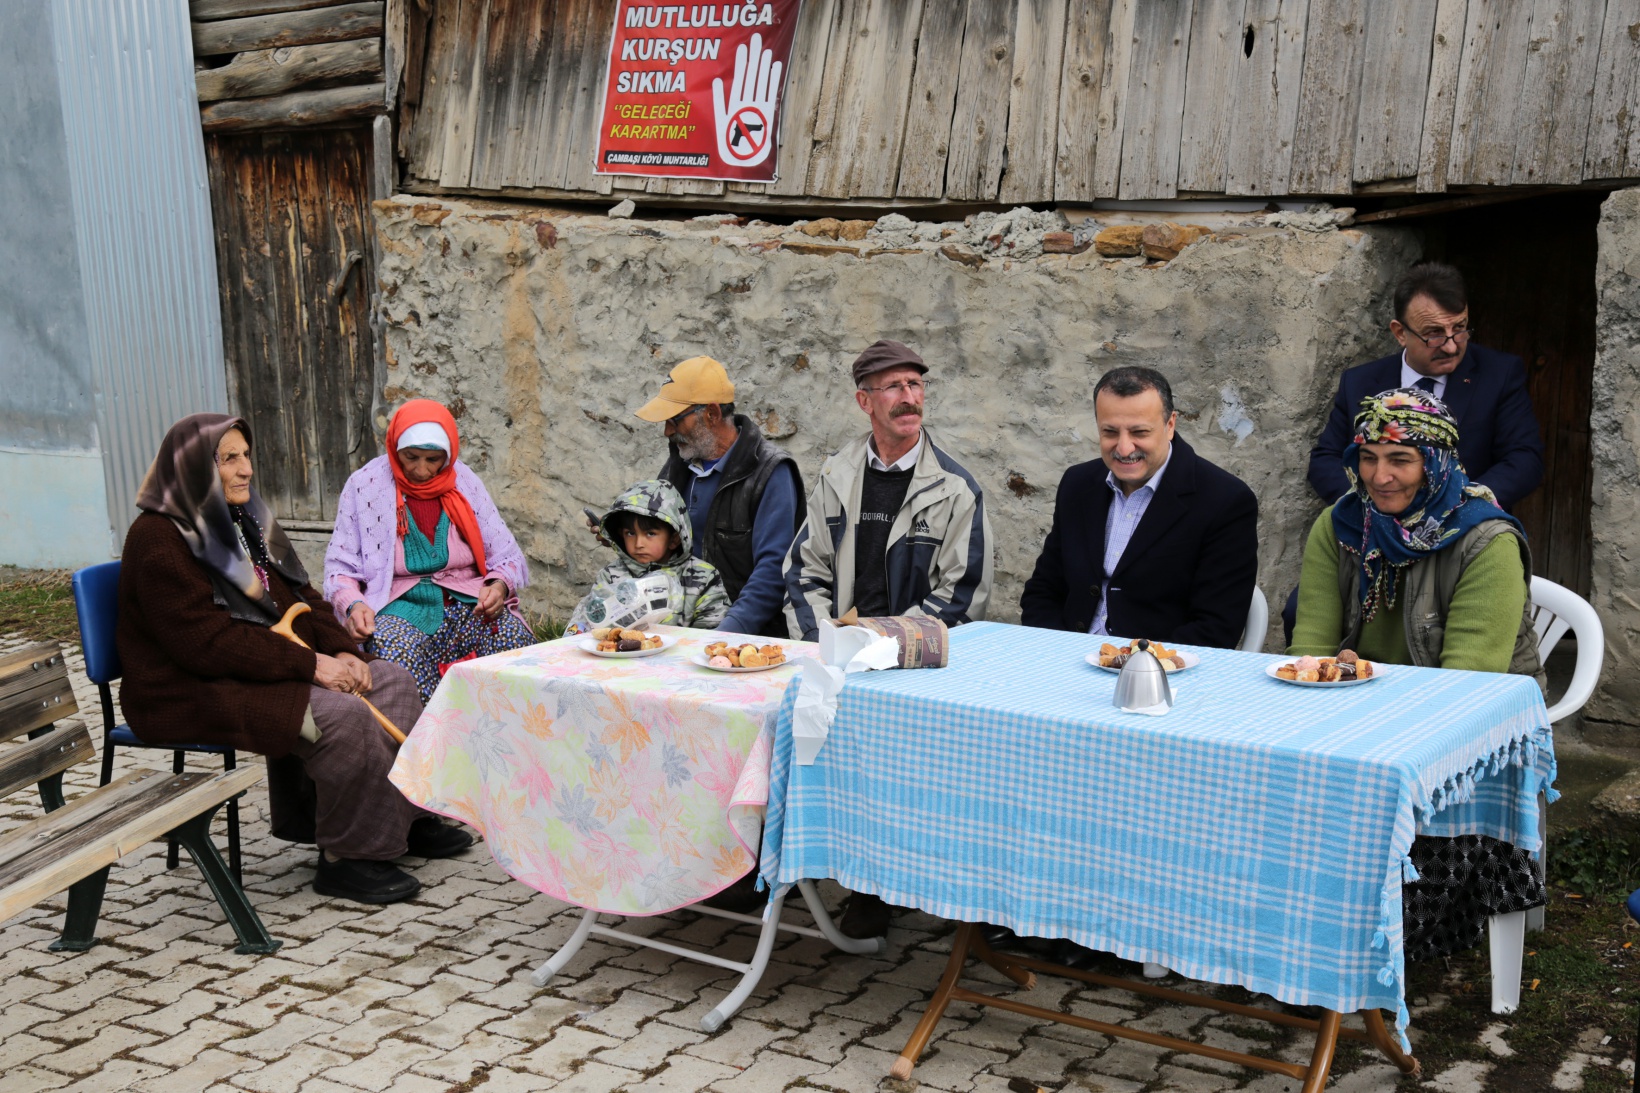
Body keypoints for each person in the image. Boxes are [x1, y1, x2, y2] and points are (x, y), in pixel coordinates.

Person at [117, 414, 472, 905]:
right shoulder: (158, 539)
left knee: (389, 682)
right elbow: (205, 643)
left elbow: (301, 597)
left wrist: (345, 652)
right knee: (341, 716)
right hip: (187, 685)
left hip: (258, 665)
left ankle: (401, 823)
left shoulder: (243, 519)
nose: (246, 471)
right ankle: (346, 859)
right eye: (229, 459)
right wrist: (311, 666)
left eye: (247, 456)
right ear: (194, 470)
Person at [1290, 387, 1545, 962]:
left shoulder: (1486, 540)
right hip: (1359, 713)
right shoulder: (1341, 524)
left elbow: (1465, 691)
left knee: (1377, 809)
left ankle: (1358, 950)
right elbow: (1309, 647)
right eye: (1368, 457)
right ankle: (1294, 933)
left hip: (1467, 731)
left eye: (1400, 459)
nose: (1380, 477)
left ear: (1436, 462)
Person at [784, 338, 994, 938]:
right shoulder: (839, 473)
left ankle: (887, 885)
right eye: (894, 388)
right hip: (837, 653)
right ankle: (815, 867)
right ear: (864, 401)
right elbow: (804, 570)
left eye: (916, 386)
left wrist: (879, 647)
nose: (909, 399)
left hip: (914, 664)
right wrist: (826, 641)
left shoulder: (955, 488)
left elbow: (964, 595)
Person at [1290, 261, 1546, 641]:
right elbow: (1326, 458)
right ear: (1399, 332)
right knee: (1300, 612)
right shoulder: (1361, 381)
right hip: (1369, 536)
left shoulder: (1499, 373)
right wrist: (1371, 499)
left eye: (1459, 328)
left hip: (1457, 540)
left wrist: (1457, 505)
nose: (1451, 343)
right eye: (1433, 333)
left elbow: (1524, 458)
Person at [1020, 366, 1259, 649]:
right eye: (1109, 432)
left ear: (1170, 425)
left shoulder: (1225, 500)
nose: (1123, 448)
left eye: (1139, 432)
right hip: (1065, 661)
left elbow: (1216, 629)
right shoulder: (1078, 484)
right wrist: (1059, 652)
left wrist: (1132, 666)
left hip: (1162, 677)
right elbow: (1043, 592)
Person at [325, 400, 533, 704]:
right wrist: (354, 605)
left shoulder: (465, 482)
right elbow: (339, 569)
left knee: (514, 645)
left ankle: (507, 739)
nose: (421, 470)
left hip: (467, 603)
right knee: (396, 656)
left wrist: (498, 586)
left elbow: (506, 556)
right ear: (395, 448)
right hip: (398, 607)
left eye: (433, 459)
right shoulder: (364, 486)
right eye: (410, 457)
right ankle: (430, 745)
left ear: (447, 456)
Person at [635, 356, 803, 638]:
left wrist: (723, 635)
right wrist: (624, 531)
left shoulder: (770, 472)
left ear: (711, 413)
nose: (667, 430)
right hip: (680, 631)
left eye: (675, 420)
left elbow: (774, 570)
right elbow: (663, 541)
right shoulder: (680, 463)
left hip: (747, 641)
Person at [566, 479, 730, 634]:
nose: (638, 543)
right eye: (630, 533)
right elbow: (595, 621)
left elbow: (712, 633)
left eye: (650, 534)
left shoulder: (703, 578)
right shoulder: (611, 575)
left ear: (673, 539)